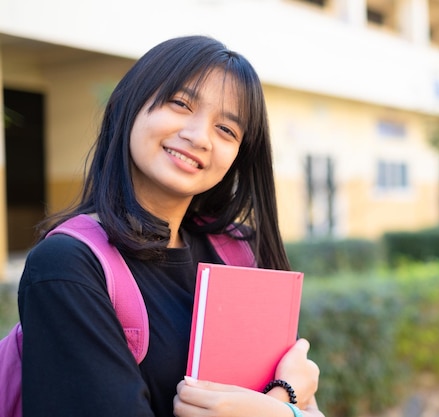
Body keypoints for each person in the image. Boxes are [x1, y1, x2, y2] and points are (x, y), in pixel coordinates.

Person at [18, 35, 323, 417]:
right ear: (132, 103)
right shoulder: (68, 266)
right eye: (180, 103)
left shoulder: (239, 251)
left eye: (226, 130)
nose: (199, 137)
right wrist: (283, 403)